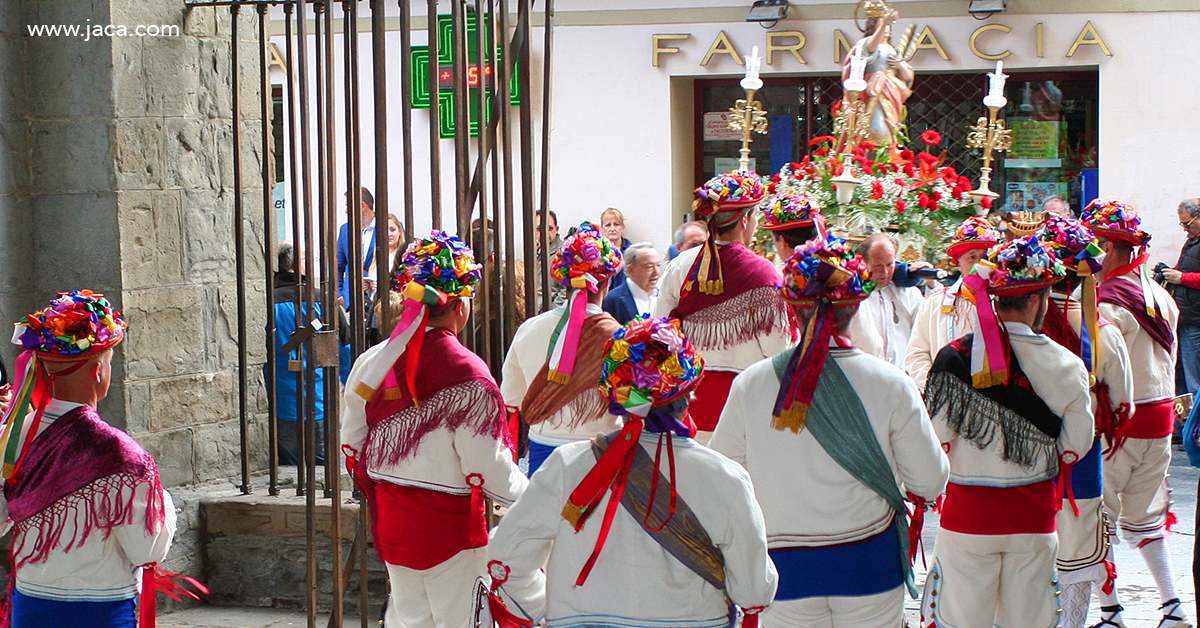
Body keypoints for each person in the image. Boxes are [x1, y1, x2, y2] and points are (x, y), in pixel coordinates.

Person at [710, 235, 947, 627]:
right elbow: (931, 478)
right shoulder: (891, 383)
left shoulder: (751, 384)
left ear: (793, 308)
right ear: (855, 306)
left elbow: (725, 477)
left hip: (783, 566)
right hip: (869, 563)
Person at [487, 316, 779, 628]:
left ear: (615, 392)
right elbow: (753, 590)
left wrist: (547, 607)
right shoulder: (725, 478)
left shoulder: (566, 466)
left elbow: (505, 557)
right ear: (688, 392)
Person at [341, 232, 528, 628]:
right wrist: (533, 497)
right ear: (460, 307)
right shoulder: (469, 373)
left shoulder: (371, 362)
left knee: (409, 620)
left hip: (393, 524)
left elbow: (351, 447)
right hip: (451, 531)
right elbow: (490, 471)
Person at [919, 236, 1094, 628]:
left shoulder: (953, 357)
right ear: (1036, 300)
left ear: (996, 299)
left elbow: (935, 438)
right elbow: (1074, 447)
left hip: (967, 516)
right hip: (1033, 518)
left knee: (960, 620)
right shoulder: (1066, 364)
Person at [0, 291, 177, 627]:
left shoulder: (9, 439)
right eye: (110, 362)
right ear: (98, 371)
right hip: (100, 612)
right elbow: (148, 551)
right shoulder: (122, 456)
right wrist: (164, 503)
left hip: (30, 607)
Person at [1082, 199, 1188, 628]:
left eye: (1094, 248)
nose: (1086, 259)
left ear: (1111, 247)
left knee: (1092, 518)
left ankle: (1110, 612)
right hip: (1159, 422)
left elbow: (1100, 372)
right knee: (1146, 517)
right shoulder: (1162, 296)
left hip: (1119, 426)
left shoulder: (1105, 302)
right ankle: (1173, 606)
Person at [1036, 216, 1135, 628]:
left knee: (1027, 552)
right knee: (1077, 547)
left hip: (1023, 457)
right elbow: (1124, 403)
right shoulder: (1103, 330)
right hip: (1081, 457)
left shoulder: (1008, 327)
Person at [655, 171, 794, 443]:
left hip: (687, 405)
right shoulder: (765, 273)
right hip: (746, 404)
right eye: (755, 217)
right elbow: (780, 350)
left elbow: (660, 332)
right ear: (744, 220)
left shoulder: (680, 265)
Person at [501, 222, 624, 476]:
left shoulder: (529, 329)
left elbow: (511, 398)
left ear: (564, 282)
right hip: (601, 457)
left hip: (544, 457)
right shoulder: (621, 339)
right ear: (606, 283)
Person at [269, 241, 352, 465]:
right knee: (323, 469)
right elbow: (344, 348)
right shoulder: (323, 300)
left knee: (288, 470)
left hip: (280, 400)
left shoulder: (266, 302)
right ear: (298, 264)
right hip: (318, 399)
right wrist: (350, 383)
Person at [904, 217, 1003, 391]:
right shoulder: (933, 304)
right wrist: (938, 389)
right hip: (946, 399)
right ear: (958, 264)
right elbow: (916, 355)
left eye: (986, 257)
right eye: (972, 257)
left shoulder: (1005, 301)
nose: (980, 264)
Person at [841, 7, 914, 148]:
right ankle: (871, 155)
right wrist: (885, 22)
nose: (887, 29)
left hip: (890, 92)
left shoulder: (892, 49)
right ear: (873, 27)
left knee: (890, 125)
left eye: (888, 26)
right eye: (882, 25)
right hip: (873, 91)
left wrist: (900, 65)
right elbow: (871, 47)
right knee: (876, 125)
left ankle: (887, 157)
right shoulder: (866, 44)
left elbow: (908, 75)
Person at [848, 233, 922, 369]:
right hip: (863, 375)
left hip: (902, 376)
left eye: (890, 264)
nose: (885, 271)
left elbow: (925, 332)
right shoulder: (851, 296)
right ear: (863, 262)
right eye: (878, 265)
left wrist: (931, 284)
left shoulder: (910, 294)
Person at [1164, 198, 1200, 398]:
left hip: (1195, 320)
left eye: (1187, 224)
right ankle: (1185, 425)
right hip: (1186, 317)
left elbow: (1187, 275)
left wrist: (1182, 278)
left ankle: (1195, 427)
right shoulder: (1192, 241)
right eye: (1182, 225)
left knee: (1194, 378)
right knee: (1183, 376)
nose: (1185, 229)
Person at [759, 191, 823, 273]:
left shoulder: (788, 276)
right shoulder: (827, 265)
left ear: (782, 241)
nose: (775, 245)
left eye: (774, 239)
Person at [337, 187, 377, 308]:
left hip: (381, 297)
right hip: (353, 298)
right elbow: (338, 265)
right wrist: (340, 296)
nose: (346, 211)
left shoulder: (389, 226)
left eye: (348, 206)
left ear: (362, 205)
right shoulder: (345, 230)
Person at [602, 243, 661, 325]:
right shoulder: (613, 300)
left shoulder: (664, 296)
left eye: (658, 265)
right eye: (649, 267)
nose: (657, 272)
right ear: (631, 269)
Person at [535, 210, 566, 309]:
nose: (545, 232)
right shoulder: (534, 253)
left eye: (549, 228)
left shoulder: (564, 253)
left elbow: (566, 289)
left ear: (556, 229)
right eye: (539, 229)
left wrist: (551, 313)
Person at [600, 208, 632, 289]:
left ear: (622, 227)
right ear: (601, 228)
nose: (612, 229)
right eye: (608, 225)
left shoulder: (631, 252)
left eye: (616, 224)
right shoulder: (596, 252)